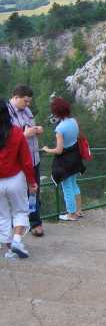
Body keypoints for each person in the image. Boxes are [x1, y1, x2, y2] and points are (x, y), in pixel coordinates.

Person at [0, 99, 37, 259]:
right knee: (20, 211)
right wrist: (32, 182)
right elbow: (26, 161)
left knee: (2, 215)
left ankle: (9, 249)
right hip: (15, 179)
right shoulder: (16, 132)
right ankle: (16, 241)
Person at [8, 85, 45, 236]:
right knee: (15, 194)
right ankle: (14, 226)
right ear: (16, 98)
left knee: (34, 191)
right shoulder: (6, 113)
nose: (28, 104)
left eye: (29, 102)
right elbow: (6, 139)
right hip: (17, 163)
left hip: (33, 158)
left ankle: (35, 222)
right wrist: (24, 135)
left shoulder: (27, 111)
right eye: (25, 101)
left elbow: (29, 128)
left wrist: (37, 129)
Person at [42, 97, 85, 221]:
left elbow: (59, 150)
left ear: (56, 112)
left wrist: (46, 149)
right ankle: (79, 211)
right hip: (76, 157)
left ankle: (71, 214)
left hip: (65, 162)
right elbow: (76, 138)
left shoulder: (60, 129)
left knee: (67, 187)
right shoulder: (74, 121)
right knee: (74, 184)